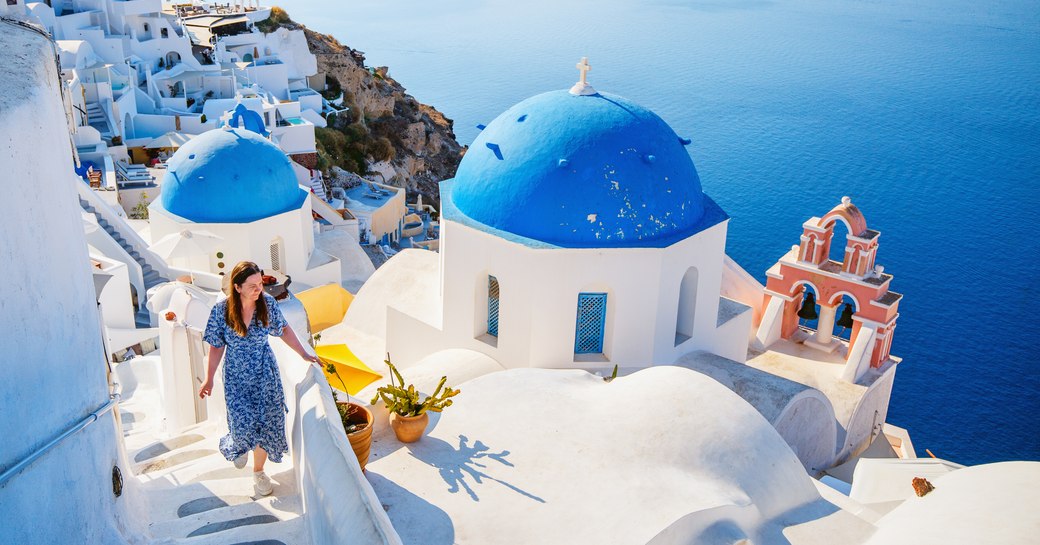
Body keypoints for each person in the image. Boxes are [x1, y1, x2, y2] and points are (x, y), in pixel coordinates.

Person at [199, 261, 320, 496]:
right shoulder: (221, 311)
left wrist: (304, 353)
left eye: (259, 284)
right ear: (237, 287)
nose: (258, 290)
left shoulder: (268, 305)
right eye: (252, 285)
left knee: (268, 423)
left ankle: (259, 471)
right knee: (242, 425)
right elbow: (216, 346)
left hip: (265, 372)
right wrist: (209, 378)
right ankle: (240, 444)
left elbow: (283, 329)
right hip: (236, 376)